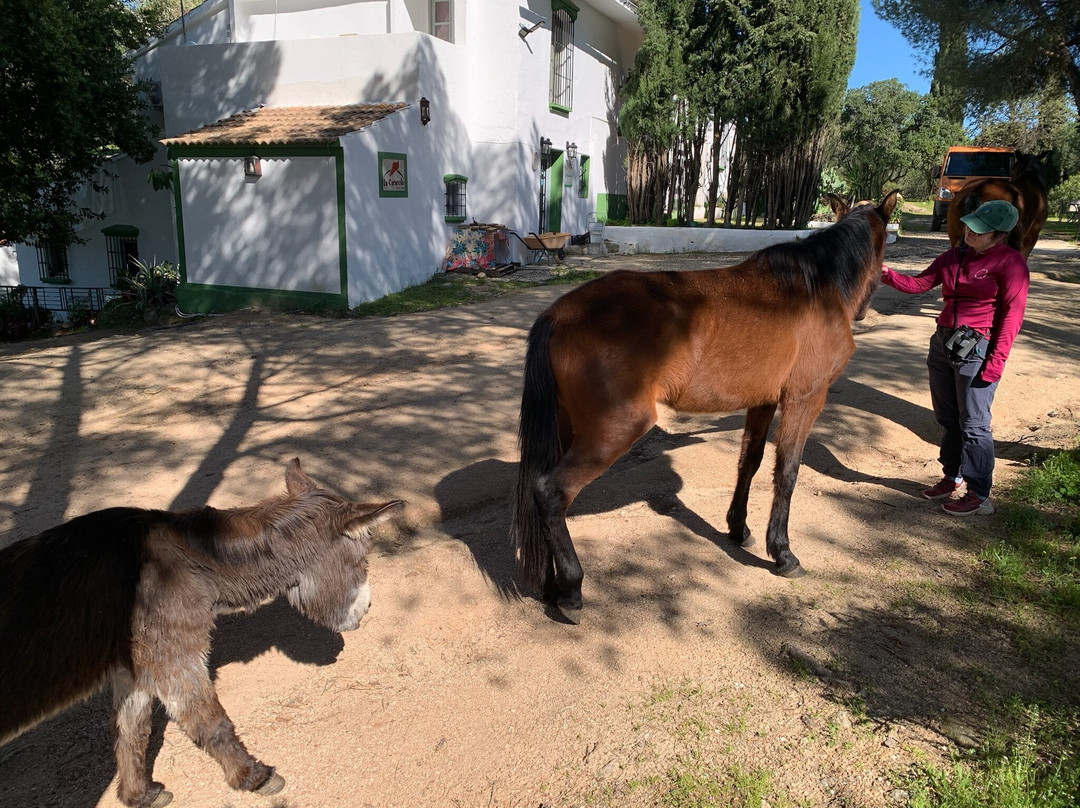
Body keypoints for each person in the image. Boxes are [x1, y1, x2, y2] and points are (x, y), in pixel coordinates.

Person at [881, 199, 1029, 516]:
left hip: (977, 349)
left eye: (979, 230)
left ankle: (979, 493)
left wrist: (995, 363)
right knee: (948, 419)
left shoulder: (1011, 263)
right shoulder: (953, 256)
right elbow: (920, 283)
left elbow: (1011, 318)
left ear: (999, 235)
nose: (969, 233)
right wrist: (885, 274)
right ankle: (953, 476)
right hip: (943, 344)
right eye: (969, 225)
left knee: (974, 424)